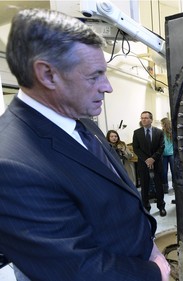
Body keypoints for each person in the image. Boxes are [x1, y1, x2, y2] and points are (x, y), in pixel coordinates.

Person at [0, 9, 170, 281]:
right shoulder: (10, 165)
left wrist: (148, 244)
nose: (107, 87)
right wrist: (154, 272)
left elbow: (117, 197)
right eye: (94, 76)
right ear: (48, 74)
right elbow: (78, 269)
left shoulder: (83, 121)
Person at [133, 111, 166, 216]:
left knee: (159, 187)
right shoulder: (137, 133)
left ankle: (161, 206)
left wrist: (153, 159)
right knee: (145, 187)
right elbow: (136, 148)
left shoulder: (159, 132)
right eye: (142, 118)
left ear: (151, 120)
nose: (143, 120)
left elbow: (161, 147)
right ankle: (146, 208)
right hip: (143, 164)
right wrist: (147, 160)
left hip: (157, 164)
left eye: (146, 118)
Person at [161, 117, 175, 194]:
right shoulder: (161, 133)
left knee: (173, 171)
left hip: (172, 154)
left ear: (165, 124)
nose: (161, 125)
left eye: (162, 124)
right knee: (164, 172)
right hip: (163, 155)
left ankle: (175, 186)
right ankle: (165, 187)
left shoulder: (172, 133)